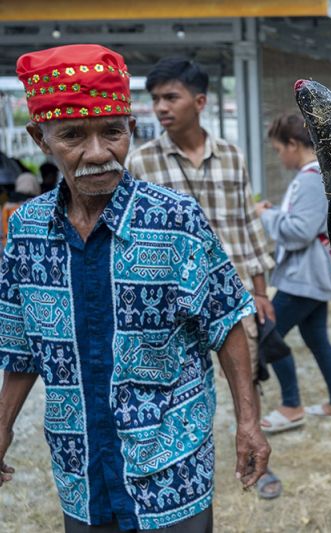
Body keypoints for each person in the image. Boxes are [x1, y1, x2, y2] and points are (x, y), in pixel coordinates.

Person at [0, 44, 270, 531]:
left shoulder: (174, 219)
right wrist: (1, 427)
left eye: (113, 132)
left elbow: (227, 319)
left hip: (173, 465)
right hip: (80, 464)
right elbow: (20, 348)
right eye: (72, 136)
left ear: (131, 130)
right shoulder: (26, 229)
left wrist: (249, 423)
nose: (99, 153)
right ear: (40, 140)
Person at [125, 57, 282, 500]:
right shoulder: (139, 164)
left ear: (200, 102)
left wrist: (259, 291)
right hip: (172, 304)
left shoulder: (231, 156)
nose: (160, 107)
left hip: (232, 298)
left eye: (170, 97)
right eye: (154, 99)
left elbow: (247, 226)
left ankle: (255, 452)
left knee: (245, 377)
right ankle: (187, 462)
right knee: (181, 385)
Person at [255, 113, 331, 432]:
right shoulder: (317, 175)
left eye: (279, 150)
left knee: (268, 333)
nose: (279, 157)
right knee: (315, 336)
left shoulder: (309, 178)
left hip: (304, 276)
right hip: (314, 274)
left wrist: (265, 215)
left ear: (293, 144)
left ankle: (291, 406)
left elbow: (299, 231)